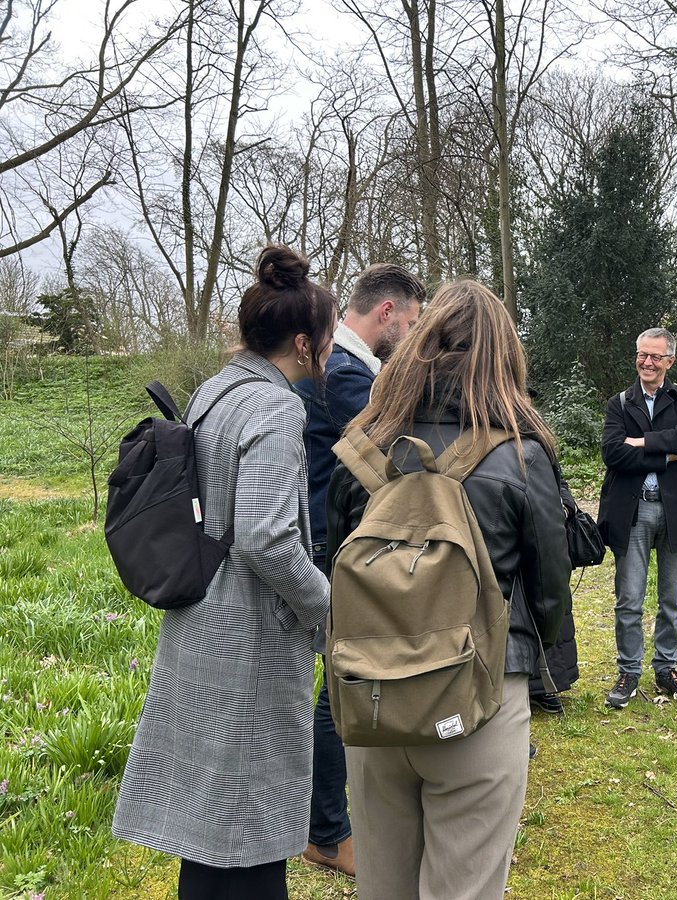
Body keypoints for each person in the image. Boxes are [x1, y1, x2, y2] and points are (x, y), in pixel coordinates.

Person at [325, 278, 570, 900]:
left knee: (383, 887)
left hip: (375, 698)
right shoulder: (520, 452)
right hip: (478, 695)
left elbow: (335, 565)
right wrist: (552, 672)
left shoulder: (363, 444)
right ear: (503, 354)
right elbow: (548, 580)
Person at [112, 246, 336, 900]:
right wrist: (325, 607)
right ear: (304, 344)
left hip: (201, 625)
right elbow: (267, 537)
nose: (327, 351)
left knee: (213, 838)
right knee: (250, 835)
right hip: (250, 648)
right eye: (323, 340)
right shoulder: (275, 407)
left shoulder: (216, 390)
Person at [295, 263, 425, 878]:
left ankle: (324, 820)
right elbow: (393, 453)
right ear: (388, 314)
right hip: (332, 548)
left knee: (334, 685)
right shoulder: (345, 377)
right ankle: (327, 832)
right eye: (414, 321)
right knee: (337, 689)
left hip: (332, 543)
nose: (414, 333)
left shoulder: (343, 369)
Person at [598, 327, 677, 709]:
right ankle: (629, 671)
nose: (646, 363)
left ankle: (667, 668)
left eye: (655, 357)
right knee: (629, 598)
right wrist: (666, 452)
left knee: (674, 599)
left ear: (670, 361)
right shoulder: (619, 403)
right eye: (641, 355)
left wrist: (643, 441)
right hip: (633, 511)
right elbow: (613, 454)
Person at [527, 466, 581, 716]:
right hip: (505, 538)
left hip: (544, 539)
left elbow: (561, 486)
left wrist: (564, 508)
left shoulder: (539, 447)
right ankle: (519, 688)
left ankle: (546, 686)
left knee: (550, 607)